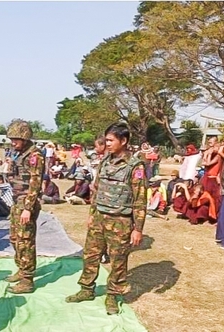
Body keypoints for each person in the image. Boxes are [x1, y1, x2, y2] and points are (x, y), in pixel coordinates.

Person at [66, 122, 147, 315]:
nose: (107, 143)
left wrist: (138, 229)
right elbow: (96, 190)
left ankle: (112, 294)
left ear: (124, 140)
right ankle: (86, 289)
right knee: (90, 255)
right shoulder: (105, 161)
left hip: (120, 220)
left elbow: (140, 199)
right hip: (99, 217)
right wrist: (92, 214)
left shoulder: (135, 166)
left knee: (118, 259)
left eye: (111, 140)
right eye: (107, 140)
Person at [4, 119, 45, 294]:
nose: (13, 143)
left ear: (26, 138)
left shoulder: (35, 156)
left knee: (25, 241)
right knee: (14, 238)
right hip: (17, 200)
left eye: (16, 139)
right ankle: (21, 269)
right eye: (11, 139)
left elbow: (36, 184)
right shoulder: (19, 153)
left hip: (26, 201)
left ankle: (27, 279)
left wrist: (28, 207)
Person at [200, 136, 223, 211]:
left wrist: (209, 154)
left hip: (213, 176)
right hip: (207, 175)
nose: (210, 143)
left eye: (211, 142)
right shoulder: (209, 150)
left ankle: (213, 211)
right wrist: (206, 154)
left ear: (216, 142)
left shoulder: (218, 155)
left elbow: (208, 163)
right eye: (209, 142)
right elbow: (203, 162)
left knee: (213, 196)